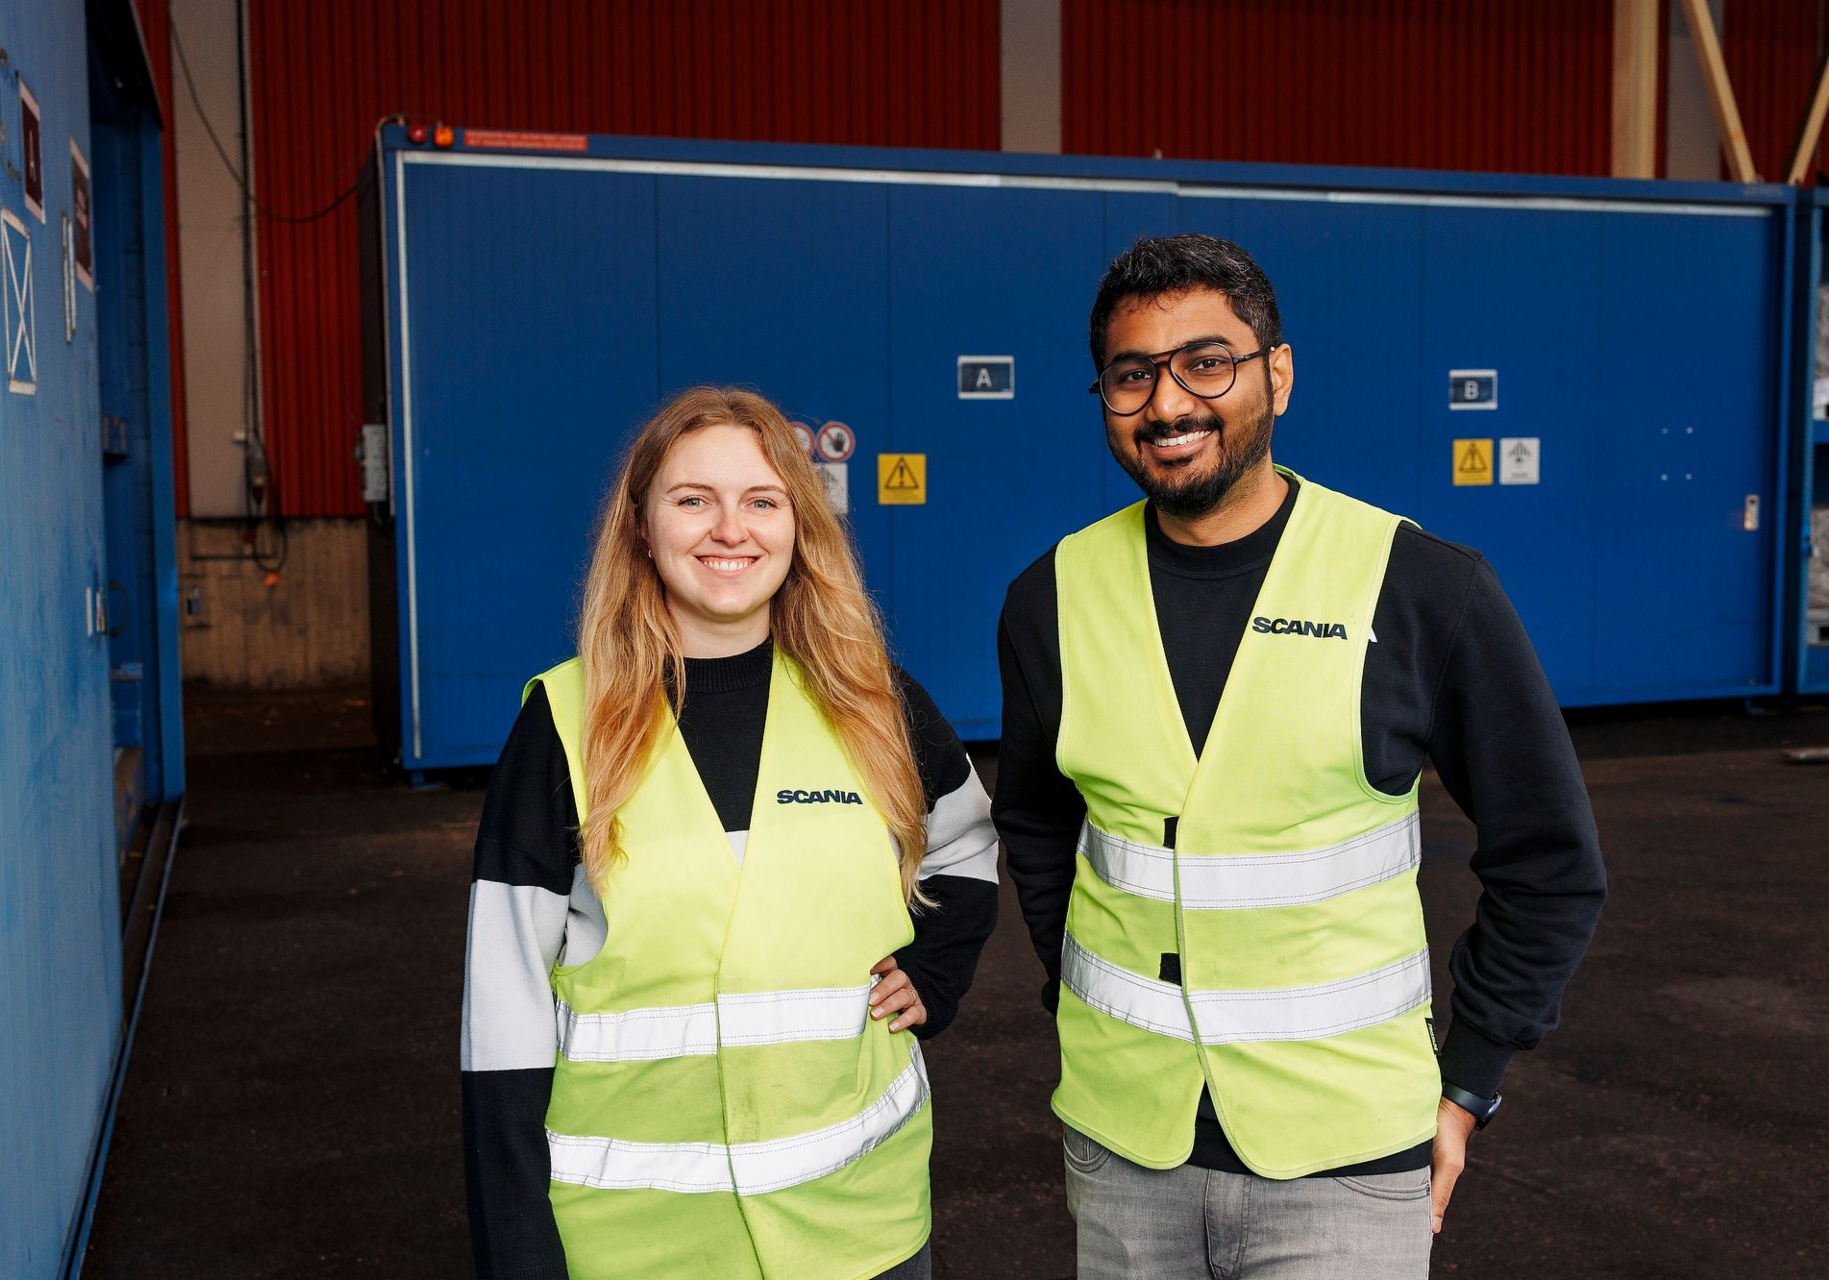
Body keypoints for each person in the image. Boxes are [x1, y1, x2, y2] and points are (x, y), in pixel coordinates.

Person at [995, 234, 1606, 1279]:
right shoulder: (1049, 596)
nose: (1169, 403)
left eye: (1207, 361)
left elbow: (1550, 859)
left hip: (1346, 1158)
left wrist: (1467, 1080)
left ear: (1277, 372)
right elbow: (1043, 828)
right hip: (1124, 1146)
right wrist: (1085, 1000)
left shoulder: (1421, 587)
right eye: (1133, 374)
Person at [460, 387, 999, 1280]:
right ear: (640, 525)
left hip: (860, 1230)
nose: (729, 529)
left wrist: (937, 968)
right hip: (638, 1247)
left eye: (761, 500)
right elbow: (502, 1018)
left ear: (800, 523)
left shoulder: (871, 701)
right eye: (692, 499)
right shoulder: (564, 723)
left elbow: (965, 839)